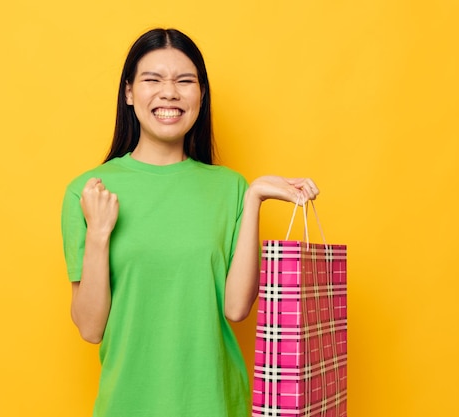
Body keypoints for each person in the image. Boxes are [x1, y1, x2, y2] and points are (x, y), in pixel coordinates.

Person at [61, 28, 319, 417]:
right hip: (127, 406)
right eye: (152, 80)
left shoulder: (231, 188)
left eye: (185, 81)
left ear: (201, 95)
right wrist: (98, 233)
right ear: (129, 93)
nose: (170, 93)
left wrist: (254, 199)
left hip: (216, 404)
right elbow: (90, 328)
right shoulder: (87, 192)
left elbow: (236, 308)